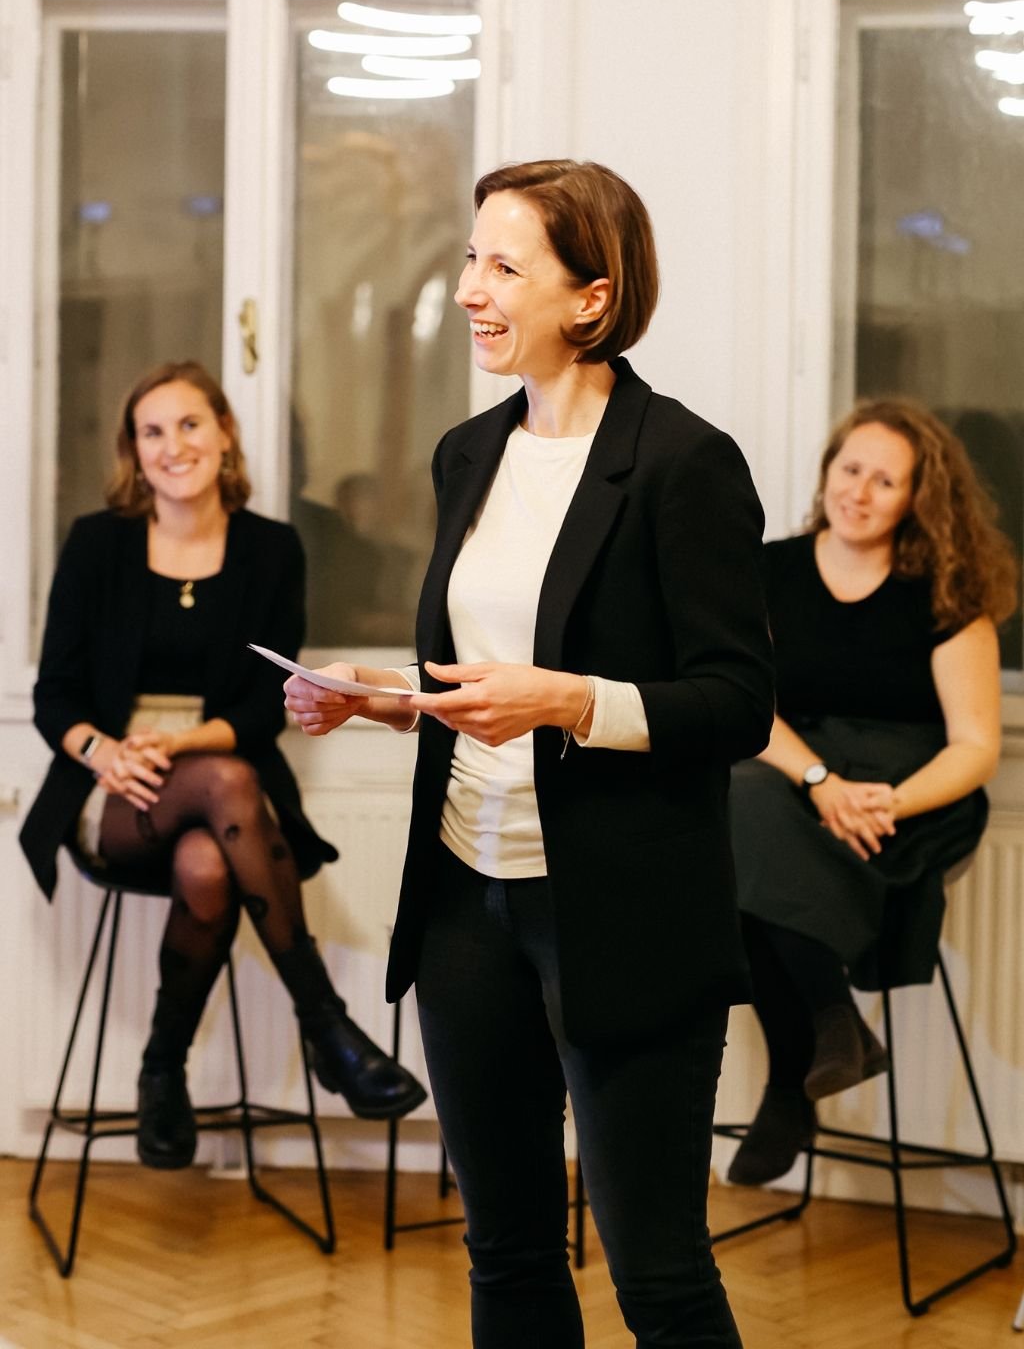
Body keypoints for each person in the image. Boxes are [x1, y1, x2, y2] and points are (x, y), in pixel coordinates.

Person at [284, 160, 775, 1349]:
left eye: (503, 266)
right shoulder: (468, 453)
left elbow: (737, 706)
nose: (468, 290)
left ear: (591, 299)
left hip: (621, 910)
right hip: (465, 904)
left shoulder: (682, 462)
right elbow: (483, 676)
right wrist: (385, 702)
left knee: (657, 1273)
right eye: (471, 257)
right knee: (504, 1253)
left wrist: (569, 703)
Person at [18, 361, 425, 1171]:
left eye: (190, 424)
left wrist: (180, 745)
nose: (173, 446)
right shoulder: (97, 544)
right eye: (152, 432)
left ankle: (161, 1068)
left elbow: (264, 706)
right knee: (230, 786)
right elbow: (54, 695)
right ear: (134, 452)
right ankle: (327, 1027)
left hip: (217, 771)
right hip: (114, 785)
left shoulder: (271, 549)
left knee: (208, 864)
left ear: (225, 433)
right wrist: (106, 751)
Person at [726, 399, 1018, 1187]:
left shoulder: (949, 591)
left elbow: (974, 747)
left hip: (911, 799)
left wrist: (883, 802)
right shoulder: (768, 572)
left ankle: (794, 1080)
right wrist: (821, 783)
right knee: (734, 808)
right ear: (827, 472)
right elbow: (746, 706)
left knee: (747, 853)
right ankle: (831, 1022)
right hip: (799, 775)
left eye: (885, 481)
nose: (858, 491)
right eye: (850, 469)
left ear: (918, 498)